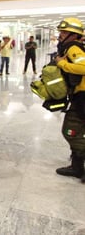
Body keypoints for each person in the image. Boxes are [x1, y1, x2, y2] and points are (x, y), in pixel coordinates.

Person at [53, 18, 85, 182]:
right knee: (79, 131)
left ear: (74, 35)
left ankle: (79, 166)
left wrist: (61, 64)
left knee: (70, 131)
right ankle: (77, 167)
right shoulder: (72, 47)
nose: (60, 35)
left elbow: (84, 66)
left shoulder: (73, 48)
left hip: (83, 96)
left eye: (64, 32)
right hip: (79, 95)